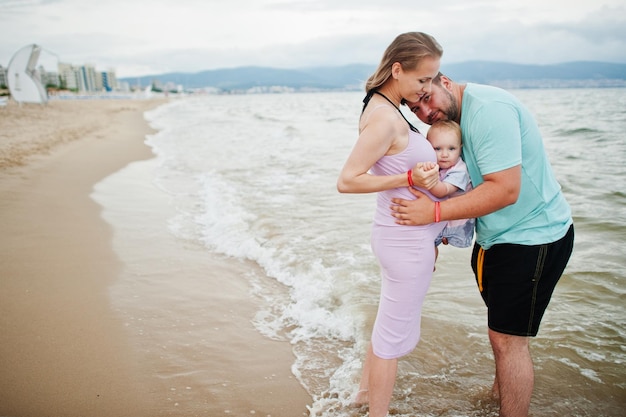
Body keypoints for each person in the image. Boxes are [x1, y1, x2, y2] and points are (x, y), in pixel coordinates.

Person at [392, 73, 575, 417]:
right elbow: (459, 182)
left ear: (444, 81)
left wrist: (432, 211)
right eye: (415, 108)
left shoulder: (488, 109)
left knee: (508, 339)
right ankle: (499, 395)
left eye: (426, 99)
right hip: (495, 238)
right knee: (500, 332)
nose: (425, 112)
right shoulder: (456, 124)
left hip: (533, 236)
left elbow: (505, 190)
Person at [336, 32, 443, 417]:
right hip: (402, 242)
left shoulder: (386, 106)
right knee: (390, 342)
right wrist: (408, 180)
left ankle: (362, 398)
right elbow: (347, 180)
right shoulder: (383, 118)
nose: (426, 89)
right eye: (421, 80)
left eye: (432, 79)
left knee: (387, 329)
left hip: (401, 238)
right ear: (397, 69)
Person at [424, 120, 474, 264]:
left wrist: (424, 177)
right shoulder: (438, 165)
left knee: (427, 240)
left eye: (451, 149)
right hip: (445, 216)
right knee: (425, 242)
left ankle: (428, 263)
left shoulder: (460, 170)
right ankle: (429, 265)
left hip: (458, 224)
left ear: (460, 149)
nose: (444, 154)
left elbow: (443, 191)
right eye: (437, 148)